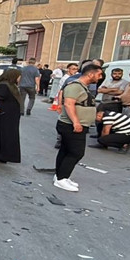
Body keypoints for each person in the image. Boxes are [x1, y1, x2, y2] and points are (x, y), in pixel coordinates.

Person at [53, 64, 103, 192]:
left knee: (66, 150)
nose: (100, 77)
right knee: (76, 152)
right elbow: (69, 104)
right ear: (90, 74)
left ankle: (61, 175)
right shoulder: (75, 86)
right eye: (99, 74)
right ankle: (61, 179)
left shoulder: (82, 87)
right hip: (71, 126)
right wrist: (76, 122)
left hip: (77, 125)